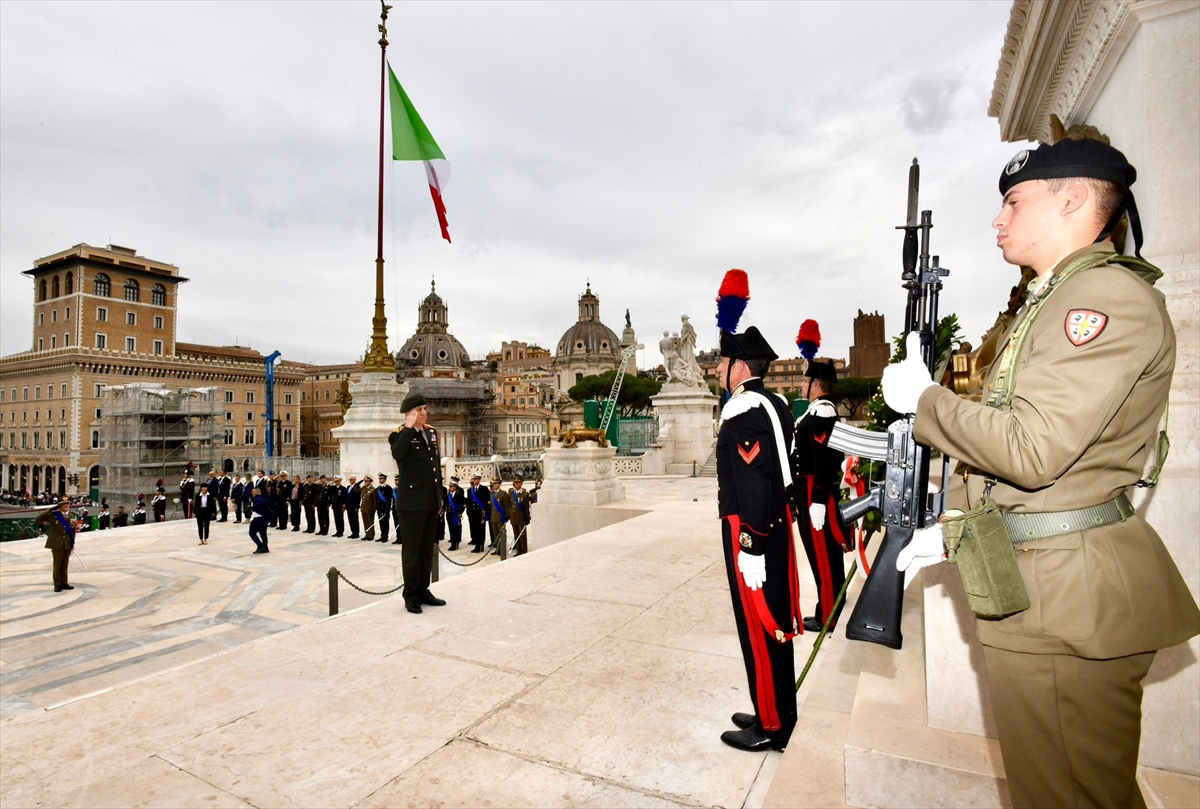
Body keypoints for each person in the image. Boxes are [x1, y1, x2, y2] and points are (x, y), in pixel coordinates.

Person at [882, 138, 1200, 809]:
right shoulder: (1056, 299)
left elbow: (1032, 447)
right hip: (1042, 580)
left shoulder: (1104, 301)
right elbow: (1029, 455)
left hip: (1065, 601)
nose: (999, 219)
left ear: (1075, 197)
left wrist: (927, 402)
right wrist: (953, 531)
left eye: (1013, 201)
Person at [714, 324, 802, 753]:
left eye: (721, 361)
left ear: (739, 366)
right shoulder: (776, 403)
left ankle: (770, 724)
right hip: (776, 522)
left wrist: (752, 542)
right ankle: (779, 709)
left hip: (752, 529)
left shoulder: (744, 409)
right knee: (776, 622)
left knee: (760, 626)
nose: (716, 368)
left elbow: (754, 479)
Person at [790, 356, 853, 632]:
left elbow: (823, 461)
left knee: (822, 557)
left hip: (815, 492)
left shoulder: (821, 414)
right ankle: (835, 601)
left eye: (805, 381)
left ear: (816, 384)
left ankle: (827, 614)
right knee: (827, 553)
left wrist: (816, 502)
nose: (802, 385)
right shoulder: (818, 411)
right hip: (814, 491)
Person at [389, 391, 446, 614]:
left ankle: (424, 590)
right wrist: (409, 427)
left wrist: (439, 498)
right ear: (409, 413)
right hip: (411, 503)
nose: (424, 413)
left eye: (424, 409)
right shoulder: (399, 435)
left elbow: (435, 469)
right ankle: (411, 596)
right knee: (412, 551)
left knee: (425, 550)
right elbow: (399, 454)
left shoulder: (431, 432)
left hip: (430, 501)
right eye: (419, 410)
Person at [37, 497, 76, 592]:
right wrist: (52, 509)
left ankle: (64, 582)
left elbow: (73, 531)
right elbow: (38, 518)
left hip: (67, 543)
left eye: (67, 504)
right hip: (57, 544)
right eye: (63, 504)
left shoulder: (72, 515)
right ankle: (57, 584)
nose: (66, 505)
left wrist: (72, 543)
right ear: (59, 506)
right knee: (57, 564)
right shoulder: (53, 515)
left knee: (64, 564)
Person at [509, 474, 533, 556]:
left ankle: (523, 550)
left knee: (522, 535)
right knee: (516, 534)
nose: (516, 484)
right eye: (515, 483)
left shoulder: (524, 494)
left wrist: (527, 517)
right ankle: (518, 550)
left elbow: (526, 507)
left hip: (521, 517)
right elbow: (510, 505)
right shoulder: (511, 493)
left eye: (518, 483)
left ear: (521, 483)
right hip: (514, 517)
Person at [465, 473, 489, 553]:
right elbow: (469, 502)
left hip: (480, 512)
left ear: (479, 480)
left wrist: (485, 510)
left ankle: (481, 545)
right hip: (473, 513)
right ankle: (476, 545)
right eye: (474, 479)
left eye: (476, 479)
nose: (475, 481)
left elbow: (487, 500)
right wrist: (468, 512)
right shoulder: (470, 490)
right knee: (475, 529)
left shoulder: (484, 489)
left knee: (481, 529)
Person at [487, 478, 512, 558]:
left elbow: (506, 505)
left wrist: (506, 516)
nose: (493, 485)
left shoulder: (503, 494)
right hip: (493, 517)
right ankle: (497, 549)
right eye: (493, 484)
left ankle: (502, 549)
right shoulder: (492, 493)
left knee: (501, 534)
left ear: (499, 484)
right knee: (495, 534)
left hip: (500, 516)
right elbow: (492, 506)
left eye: (495, 484)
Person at [248, 484, 272, 554]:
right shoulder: (262, 497)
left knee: (252, 533)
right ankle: (265, 547)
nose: (252, 493)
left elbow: (260, 503)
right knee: (263, 533)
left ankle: (260, 546)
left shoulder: (258, 498)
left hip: (259, 518)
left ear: (257, 492)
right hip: (264, 518)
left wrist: (253, 508)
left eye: (253, 491)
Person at [444, 477, 466, 550]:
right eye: (450, 486)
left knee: (456, 529)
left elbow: (464, 504)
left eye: (452, 487)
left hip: (456, 515)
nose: (450, 488)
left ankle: (456, 543)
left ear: (455, 487)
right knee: (451, 529)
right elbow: (446, 504)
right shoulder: (448, 495)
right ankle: (452, 543)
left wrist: (460, 512)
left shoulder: (459, 495)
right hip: (449, 514)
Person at [375, 473, 394, 543]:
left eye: (381, 478)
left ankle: (385, 536)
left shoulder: (388, 488)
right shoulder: (378, 488)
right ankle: (382, 535)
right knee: (381, 522)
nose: (380, 480)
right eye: (379, 478)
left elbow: (389, 500)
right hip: (379, 508)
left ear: (385, 479)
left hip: (385, 508)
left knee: (385, 522)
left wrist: (387, 509)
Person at [359, 472, 377, 541]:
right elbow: (356, 489)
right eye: (365, 481)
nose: (365, 482)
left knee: (370, 522)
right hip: (363, 508)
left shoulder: (373, 489)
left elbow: (374, 500)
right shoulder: (364, 489)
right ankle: (367, 534)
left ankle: (371, 535)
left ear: (370, 482)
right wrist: (360, 481)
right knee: (365, 522)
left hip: (370, 509)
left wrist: (374, 509)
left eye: (367, 481)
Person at [345, 474, 361, 538]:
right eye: (349, 479)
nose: (350, 481)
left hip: (354, 506)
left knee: (355, 519)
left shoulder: (357, 487)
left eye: (351, 479)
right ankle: (353, 532)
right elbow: (346, 496)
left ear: (354, 480)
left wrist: (357, 506)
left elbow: (358, 498)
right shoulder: (348, 487)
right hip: (348, 506)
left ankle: (356, 533)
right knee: (350, 520)